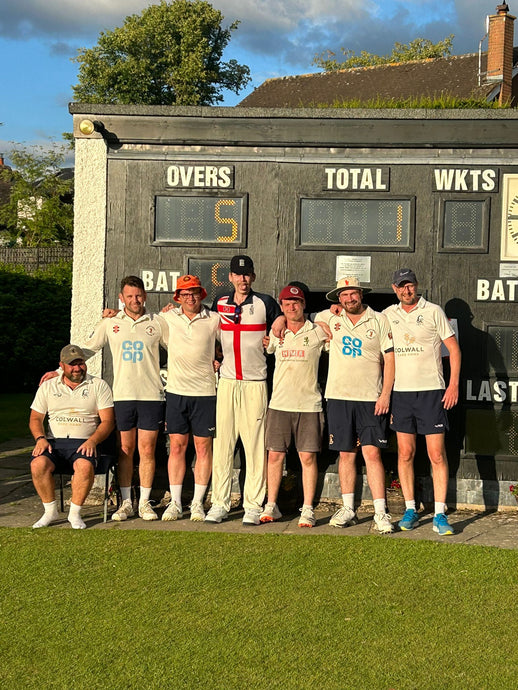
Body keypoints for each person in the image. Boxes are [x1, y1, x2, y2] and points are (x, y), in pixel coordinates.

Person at [41, 276, 167, 522]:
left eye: (138, 295)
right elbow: (85, 350)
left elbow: (181, 347)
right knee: (125, 450)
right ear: (122, 298)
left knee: (148, 449)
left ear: (145, 296)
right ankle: (126, 503)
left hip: (152, 396)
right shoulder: (110, 323)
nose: (135, 300)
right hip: (121, 396)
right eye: (129, 296)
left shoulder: (158, 322)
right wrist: (58, 371)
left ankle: (144, 504)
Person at [205, 255, 281, 525]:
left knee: (254, 446)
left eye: (247, 274)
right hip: (227, 382)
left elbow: (282, 321)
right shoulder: (220, 303)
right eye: (238, 275)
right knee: (223, 444)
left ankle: (252, 505)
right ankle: (220, 503)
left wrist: (279, 323)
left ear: (253, 277)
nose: (243, 279)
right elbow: (209, 333)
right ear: (230, 278)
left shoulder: (265, 302)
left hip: (255, 383)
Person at [383, 268, 461, 535]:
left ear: (416, 286)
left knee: (436, 454)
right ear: (394, 289)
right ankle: (410, 509)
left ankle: (440, 514)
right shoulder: (387, 315)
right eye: (402, 286)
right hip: (401, 394)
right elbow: (356, 316)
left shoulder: (433, 311)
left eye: (411, 285)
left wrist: (452, 386)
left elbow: (454, 349)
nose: (407, 290)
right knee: (405, 454)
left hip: (431, 392)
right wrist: (333, 309)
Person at [315, 277, 396, 534]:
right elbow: (313, 318)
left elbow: (390, 360)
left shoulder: (379, 319)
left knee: (372, 454)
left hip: (370, 397)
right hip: (339, 396)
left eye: (353, 294)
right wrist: (329, 312)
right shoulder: (332, 318)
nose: (350, 299)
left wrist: (385, 395)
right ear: (339, 299)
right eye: (344, 295)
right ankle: (348, 508)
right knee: (346, 454)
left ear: (361, 294)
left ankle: (381, 512)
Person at [259, 285, 327, 527]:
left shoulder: (318, 331)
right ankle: (272, 505)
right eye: (287, 303)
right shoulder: (276, 333)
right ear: (281, 306)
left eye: (296, 302)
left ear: (304, 304)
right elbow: (266, 348)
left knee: (307, 457)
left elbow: (335, 323)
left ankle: (308, 508)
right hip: (279, 403)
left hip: (309, 405)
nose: (292, 306)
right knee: (275, 456)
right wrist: (277, 324)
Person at [29, 345, 114, 529]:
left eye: (80, 363)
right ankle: (50, 511)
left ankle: (74, 514)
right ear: (62, 365)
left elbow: (108, 421)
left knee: (84, 466)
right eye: (72, 364)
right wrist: (40, 438)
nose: (77, 368)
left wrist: (93, 441)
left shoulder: (98, 385)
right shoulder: (48, 386)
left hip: (85, 442)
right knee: (37, 464)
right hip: (53, 442)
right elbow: (36, 418)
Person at [159, 275, 220, 521]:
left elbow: (231, 344)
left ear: (201, 294)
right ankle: (175, 503)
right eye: (185, 294)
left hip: (205, 392)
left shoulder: (214, 319)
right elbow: (139, 321)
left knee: (203, 448)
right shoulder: (167, 317)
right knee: (177, 447)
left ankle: (197, 503)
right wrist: (112, 314)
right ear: (178, 298)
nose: (190, 297)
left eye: (194, 292)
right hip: (176, 392)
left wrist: (220, 359)